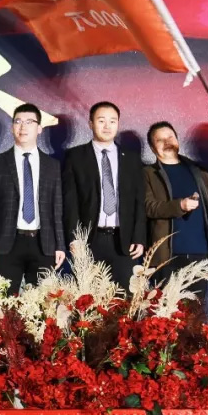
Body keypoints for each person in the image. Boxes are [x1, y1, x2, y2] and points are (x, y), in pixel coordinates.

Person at [62, 101, 146, 291]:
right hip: (89, 240)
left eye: (112, 121)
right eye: (101, 121)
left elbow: (139, 201)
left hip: (123, 241)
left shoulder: (131, 158)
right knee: (88, 299)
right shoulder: (76, 156)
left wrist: (139, 237)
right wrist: (75, 238)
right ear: (90, 123)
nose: (107, 126)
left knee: (125, 298)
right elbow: (70, 201)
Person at [0, 103, 65, 293]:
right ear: (12, 127)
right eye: (18, 121)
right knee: (4, 303)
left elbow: (57, 208)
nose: (23, 127)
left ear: (39, 128)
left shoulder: (52, 165)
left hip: (43, 243)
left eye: (29, 122)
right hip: (7, 244)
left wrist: (60, 245)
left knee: (41, 305)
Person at [143, 121, 208, 296]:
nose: (167, 142)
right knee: (166, 310)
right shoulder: (147, 173)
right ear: (152, 147)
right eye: (160, 140)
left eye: (170, 137)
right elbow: (149, 207)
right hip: (165, 257)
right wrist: (179, 205)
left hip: (200, 254)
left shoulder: (199, 171)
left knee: (196, 310)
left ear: (178, 140)